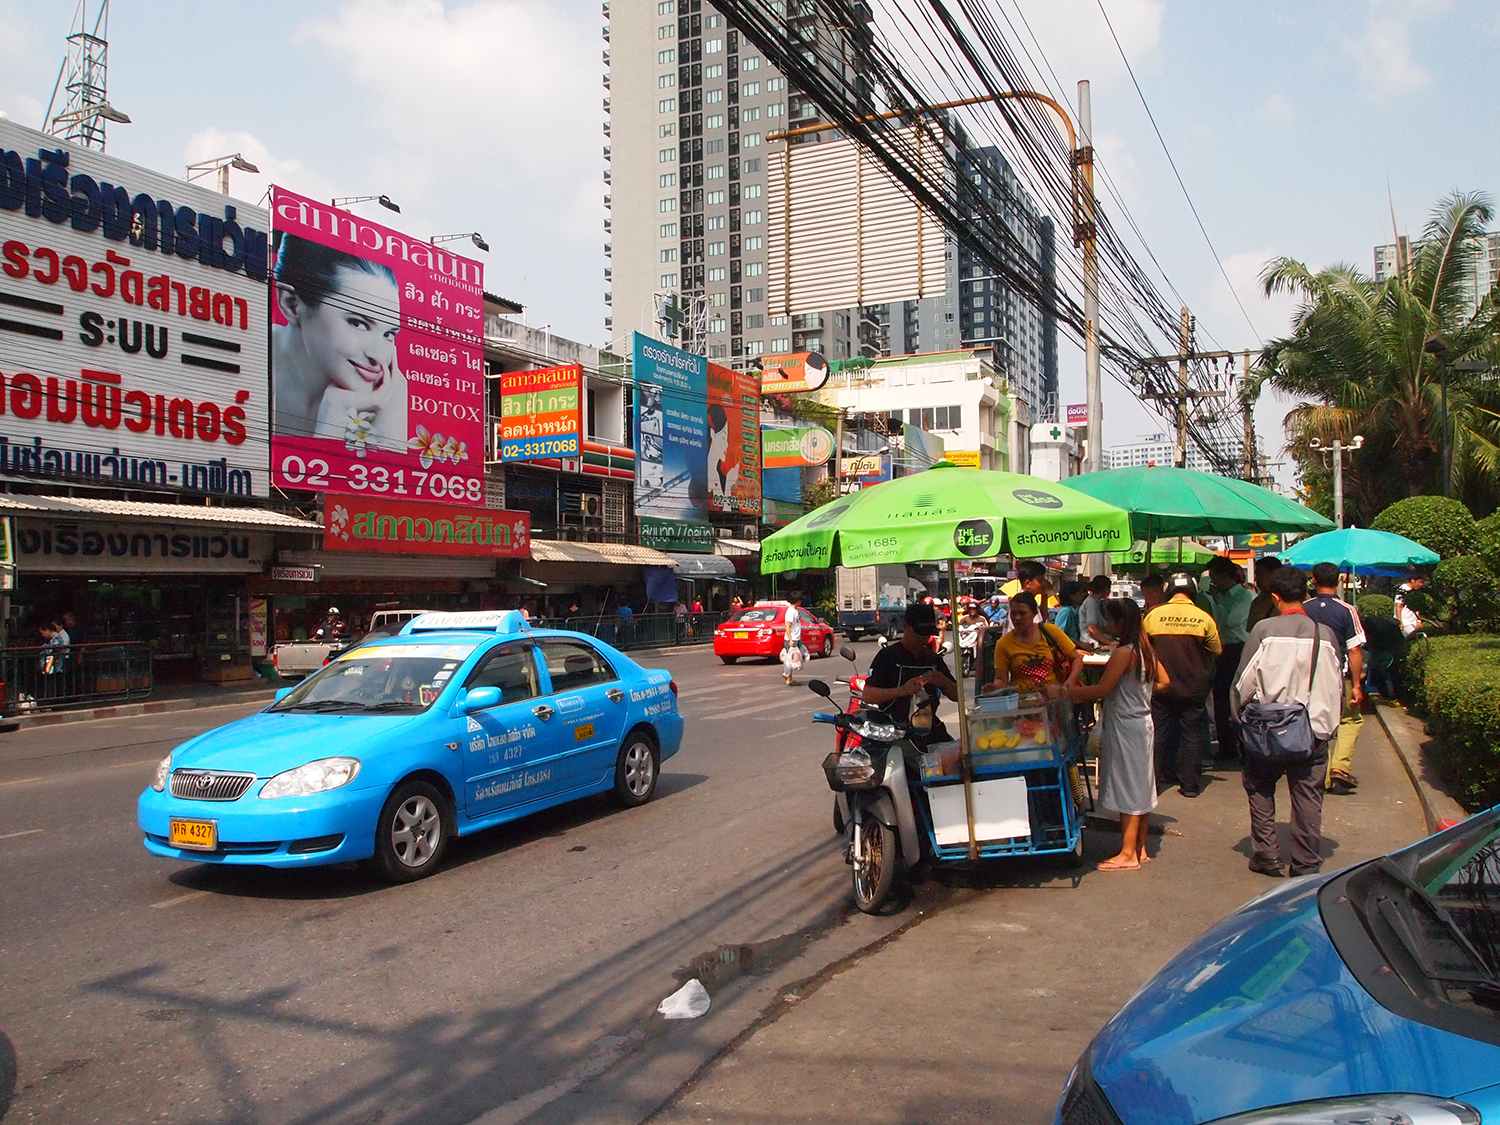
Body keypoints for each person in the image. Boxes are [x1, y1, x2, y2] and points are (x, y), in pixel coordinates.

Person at [1231, 566, 1345, 877]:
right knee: (1308, 795)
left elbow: (1243, 683)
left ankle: (1267, 854)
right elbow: (1338, 684)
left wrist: (1239, 719)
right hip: (1312, 731)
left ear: (1275, 597)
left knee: (1259, 788)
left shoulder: (1264, 631)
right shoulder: (1325, 634)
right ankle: (1306, 862)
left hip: (1265, 728)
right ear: (1306, 595)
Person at [271, 234, 407, 452]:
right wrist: (330, 427)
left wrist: (336, 409)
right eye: (358, 323)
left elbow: (389, 483)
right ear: (292, 304)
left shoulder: (390, 390)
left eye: (389, 334)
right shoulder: (251, 356)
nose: (379, 357)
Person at [1066, 598, 1170, 870]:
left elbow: (1101, 689)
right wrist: (1139, 694)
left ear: (1121, 623)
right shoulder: (1145, 647)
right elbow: (1164, 681)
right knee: (1142, 787)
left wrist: (1064, 692)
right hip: (1142, 722)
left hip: (1125, 725)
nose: (1106, 625)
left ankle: (1128, 854)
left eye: (1110, 620)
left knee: (1128, 789)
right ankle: (1139, 848)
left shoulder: (1124, 652)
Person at [1143, 573, 1222, 799]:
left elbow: (1143, 647)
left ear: (1167, 589)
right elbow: (1216, 650)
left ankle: (1154, 783)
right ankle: (1189, 784)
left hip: (1161, 686)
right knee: (1192, 734)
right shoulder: (1204, 618)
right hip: (1194, 687)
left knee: (1158, 733)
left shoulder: (1152, 615)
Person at [1302, 562, 1366, 796]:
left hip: (1309, 675)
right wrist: (1357, 684)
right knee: (1350, 719)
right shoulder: (1347, 610)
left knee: (1315, 722)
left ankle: (1322, 774)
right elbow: (1355, 650)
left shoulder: (1304, 608)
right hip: (1340, 674)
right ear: (1338, 580)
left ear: (1314, 581)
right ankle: (1340, 766)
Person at [861, 602, 958, 741]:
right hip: (893, 731)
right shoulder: (887, 656)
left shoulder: (933, 659)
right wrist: (902, 690)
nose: (923, 640)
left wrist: (943, 681)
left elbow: (957, 696)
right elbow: (868, 695)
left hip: (928, 729)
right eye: (918, 635)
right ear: (906, 627)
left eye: (926, 636)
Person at [986, 591, 1081, 697]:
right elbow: (1001, 679)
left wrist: (1070, 682)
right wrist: (994, 688)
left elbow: (1076, 659)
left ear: (1034, 613)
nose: (1017, 618)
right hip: (1023, 705)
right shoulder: (1003, 643)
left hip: (1054, 700)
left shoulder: (1050, 631)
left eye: (1022, 613)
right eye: (1013, 613)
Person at [1207, 556, 1253, 765]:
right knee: (1220, 698)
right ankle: (1227, 746)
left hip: (1238, 649)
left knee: (1238, 696)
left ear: (1226, 576)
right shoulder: (1222, 597)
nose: (1213, 583)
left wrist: (1218, 603)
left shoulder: (1244, 596)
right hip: (1223, 649)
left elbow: (1230, 621)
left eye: (1215, 578)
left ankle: (1242, 744)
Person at [1245, 556, 1284, 631]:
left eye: (1260, 574)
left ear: (1274, 574)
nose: (1256, 579)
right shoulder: (1258, 602)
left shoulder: (1291, 598)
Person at [1079, 575, 1115, 648]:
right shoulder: (1091, 603)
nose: (1109, 591)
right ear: (1103, 589)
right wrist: (1109, 642)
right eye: (1109, 588)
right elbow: (1092, 627)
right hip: (1091, 643)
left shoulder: (1097, 602)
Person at [956, 602, 988, 676]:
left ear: (977, 610)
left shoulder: (981, 619)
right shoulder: (965, 618)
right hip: (967, 637)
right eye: (970, 609)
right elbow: (958, 625)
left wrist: (981, 629)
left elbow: (987, 627)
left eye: (974, 609)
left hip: (978, 639)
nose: (972, 611)